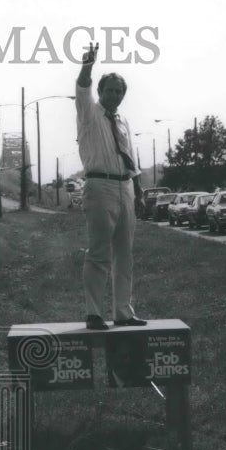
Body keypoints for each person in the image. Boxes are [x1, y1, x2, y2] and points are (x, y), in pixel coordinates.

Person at [75, 42, 147, 330]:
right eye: (110, 90)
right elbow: (82, 88)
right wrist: (88, 66)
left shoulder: (123, 120)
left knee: (124, 254)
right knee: (99, 252)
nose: (115, 95)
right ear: (101, 92)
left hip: (124, 187)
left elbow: (131, 155)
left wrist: (139, 191)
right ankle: (94, 313)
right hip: (99, 186)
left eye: (120, 91)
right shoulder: (89, 113)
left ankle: (123, 313)